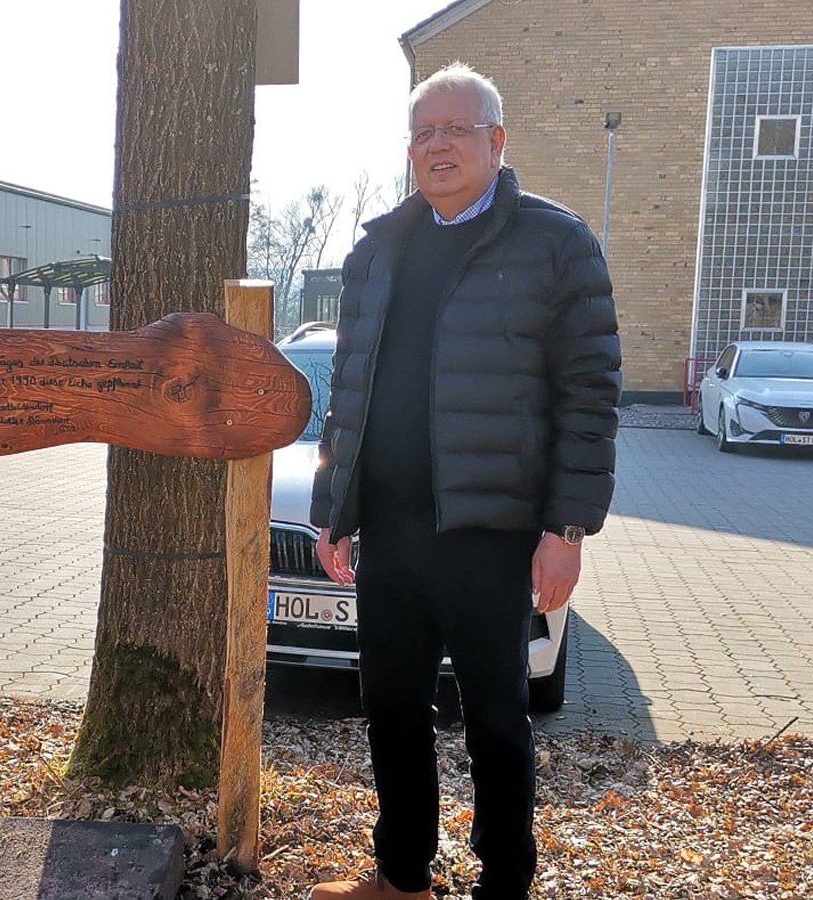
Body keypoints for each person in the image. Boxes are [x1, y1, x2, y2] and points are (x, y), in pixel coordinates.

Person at [307, 64, 620, 900]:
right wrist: (334, 508)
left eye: (456, 128)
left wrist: (567, 529)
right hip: (393, 531)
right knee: (391, 710)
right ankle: (401, 876)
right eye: (424, 133)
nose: (438, 145)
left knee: (496, 721)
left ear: (497, 140)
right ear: (409, 150)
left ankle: (504, 885)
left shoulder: (556, 243)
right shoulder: (378, 250)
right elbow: (350, 390)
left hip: (494, 535)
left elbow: (590, 394)